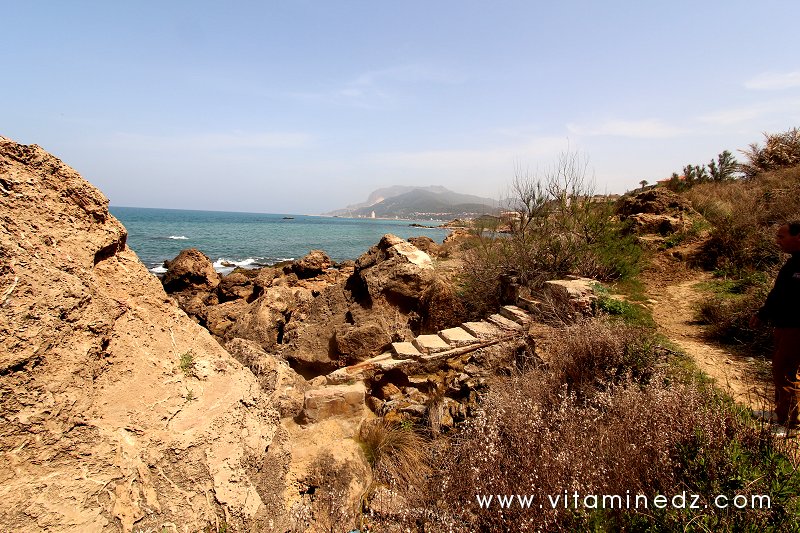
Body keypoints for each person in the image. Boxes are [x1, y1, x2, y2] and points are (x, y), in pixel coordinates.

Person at [750, 221, 800, 430]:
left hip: (796, 327)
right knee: (780, 368)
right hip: (784, 325)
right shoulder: (793, 263)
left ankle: (789, 422)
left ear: (798, 237)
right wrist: (763, 314)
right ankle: (781, 412)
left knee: (786, 371)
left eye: (781, 236)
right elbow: (778, 294)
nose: (778, 241)